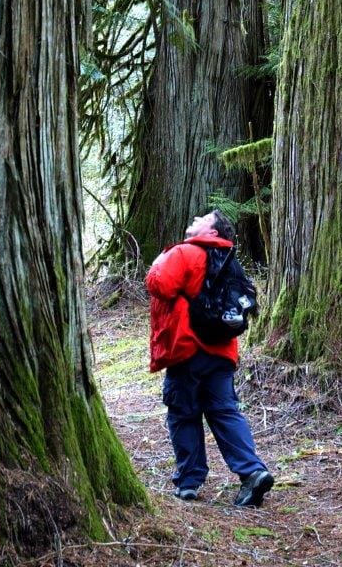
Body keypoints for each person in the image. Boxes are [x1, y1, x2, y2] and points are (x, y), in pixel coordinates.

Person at [145, 208, 274, 507]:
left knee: (183, 412)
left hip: (187, 350)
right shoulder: (231, 264)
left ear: (212, 233)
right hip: (222, 353)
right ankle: (253, 472)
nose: (194, 219)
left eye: (203, 218)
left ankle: (189, 481)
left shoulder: (186, 253)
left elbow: (160, 284)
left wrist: (155, 265)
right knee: (225, 411)